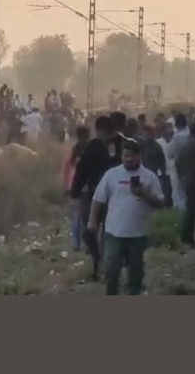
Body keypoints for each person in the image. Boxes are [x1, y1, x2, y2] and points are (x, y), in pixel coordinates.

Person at [89, 138, 165, 295]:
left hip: (138, 234)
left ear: (140, 156)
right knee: (111, 270)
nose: (129, 159)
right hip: (114, 233)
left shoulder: (149, 177)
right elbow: (98, 199)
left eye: (133, 156)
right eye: (126, 155)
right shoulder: (112, 174)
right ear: (121, 156)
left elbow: (160, 204)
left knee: (135, 274)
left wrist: (144, 195)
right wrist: (92, 221)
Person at [71, 115, 115, 280]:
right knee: (106, 232)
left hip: (95, 196)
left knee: (90, 232)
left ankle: (99, 262)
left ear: (97, 129)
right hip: (111, 196)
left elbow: (81, 170)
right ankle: (104, 264)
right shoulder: (116, 146)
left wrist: (75, 191)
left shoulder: (93, 146)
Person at [62, 125, 90, 251]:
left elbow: (65, 169)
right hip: (87, 186)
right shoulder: (90, 149)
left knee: (76, 216)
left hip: (74, 186)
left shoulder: (73, 151)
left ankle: (76, 244)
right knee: (85, 216)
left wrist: (67, 186)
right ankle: (85, 244)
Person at [164, 113, 190, 210]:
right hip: (191, 166)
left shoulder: (177, 137)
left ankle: (181, 212)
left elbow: (170, 153)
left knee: (178, 192)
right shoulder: (189, 134)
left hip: (179, 167)